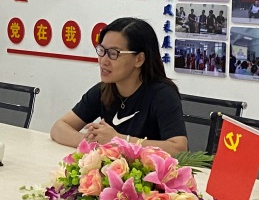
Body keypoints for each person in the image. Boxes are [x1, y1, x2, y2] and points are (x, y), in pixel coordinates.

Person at [51, 17, 188, 156]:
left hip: (149, 170)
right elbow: (59, 127)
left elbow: (179, 149)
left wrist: (119, 141)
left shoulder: (163, 95)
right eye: (102, 50)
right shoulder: (104, 89)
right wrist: (91, 142)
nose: (103, 61)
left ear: (139, 59)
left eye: (113, 53)